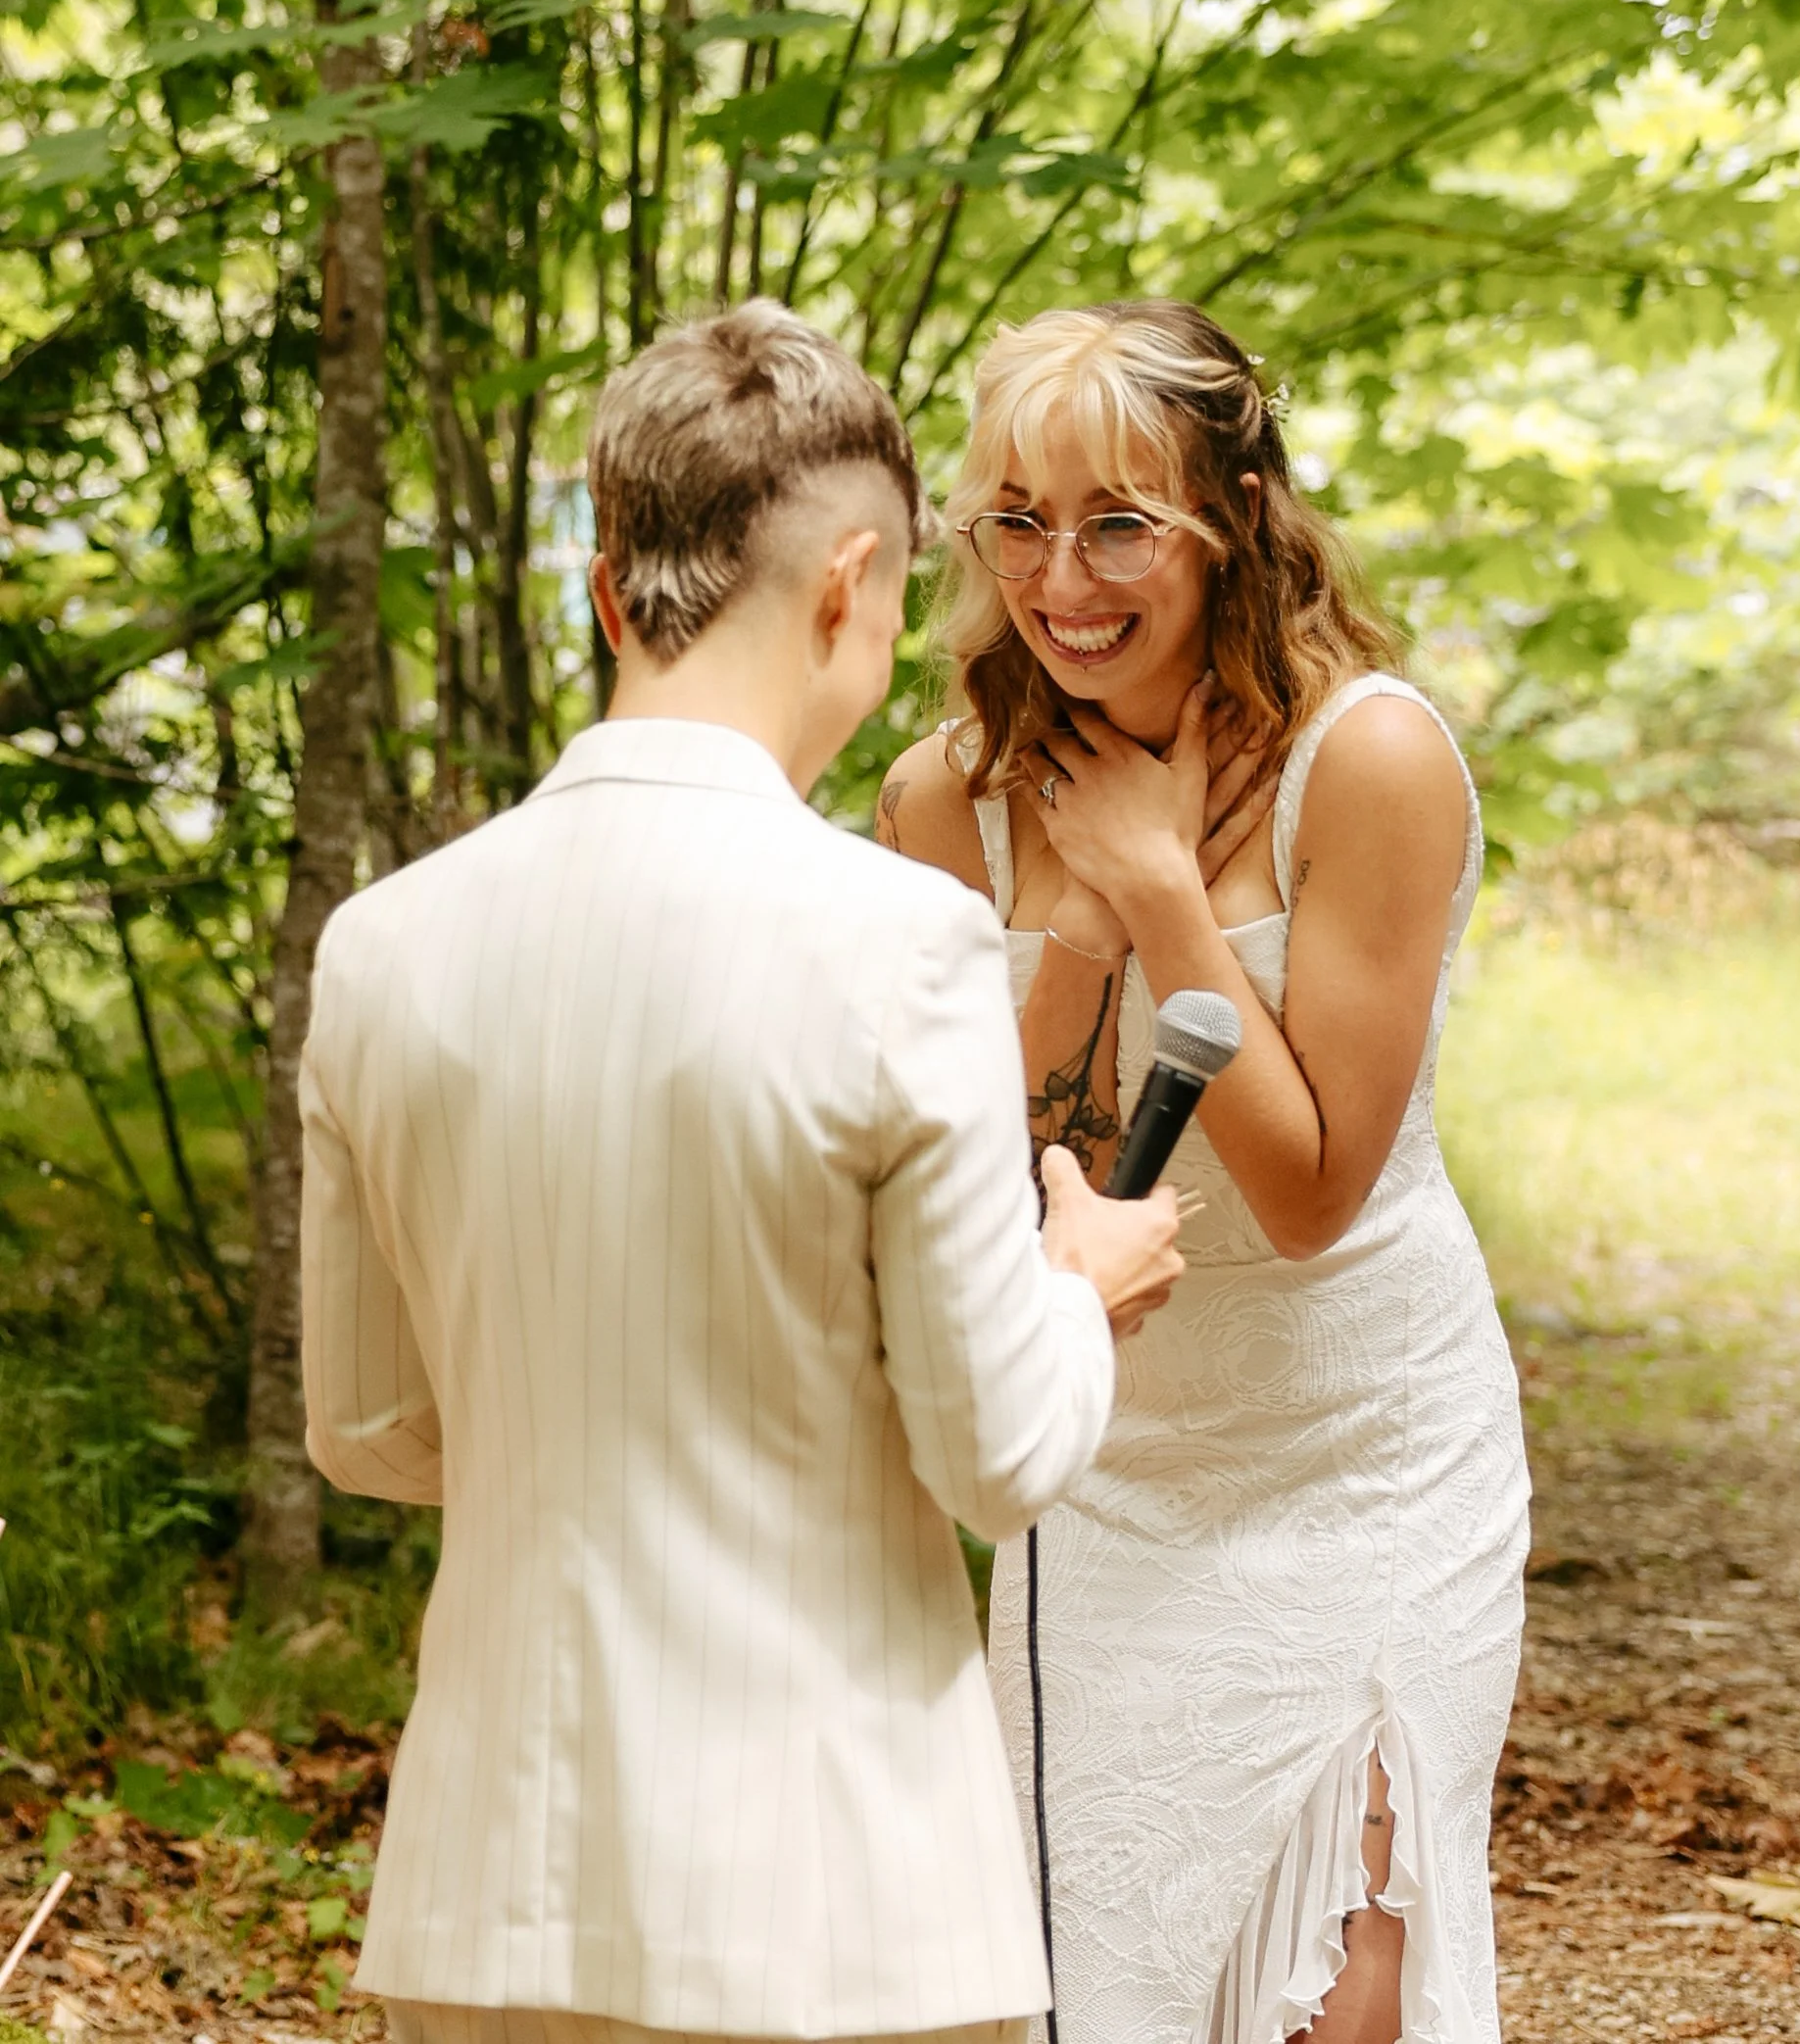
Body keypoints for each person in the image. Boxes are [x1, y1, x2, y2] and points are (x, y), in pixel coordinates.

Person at [299, 299, 1184, 2044]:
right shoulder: (898, 940)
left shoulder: (381, 947)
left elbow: (364, 1428)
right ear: (852, 584)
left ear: (611, 591)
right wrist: (1080, 1291)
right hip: (835, 1912)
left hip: (484, 1908)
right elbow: (996, 1450)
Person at [876, 302, 1529, 2044]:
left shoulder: (1368, 761)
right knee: (1117, 1988)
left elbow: (1313, 1194)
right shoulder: (943, 803)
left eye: (1115, 522)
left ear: (1233, 510)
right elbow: (994, 1198)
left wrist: (1168, 895)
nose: (1058, 576)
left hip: (1364, 1447)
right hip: (1110, 1463)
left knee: (1347, 1989)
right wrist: (1081, 934)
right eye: (1014, 519)